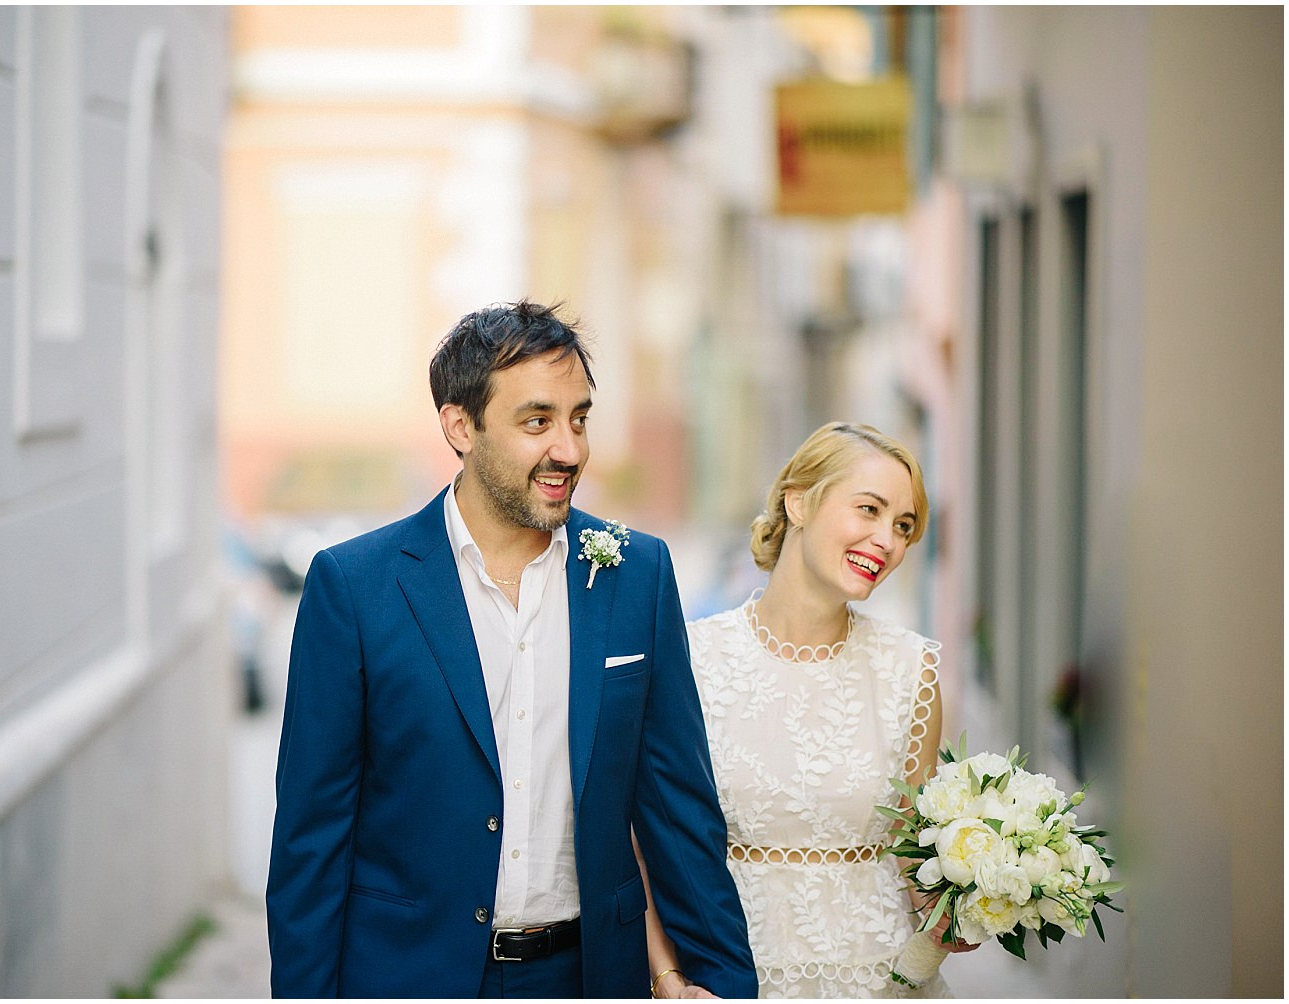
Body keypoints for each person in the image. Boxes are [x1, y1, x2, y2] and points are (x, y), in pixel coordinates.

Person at [266, 301, 756, 999]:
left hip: (589, 977)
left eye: (579, 418)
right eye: (537, 421)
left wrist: (727, 982)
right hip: (408, 976)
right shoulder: (354, 589)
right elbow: (310, 845)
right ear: (460, 426)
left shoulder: (636, 576)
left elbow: (680, 810)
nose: (570, 449)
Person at [640, 422, 977, 999]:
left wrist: (976, 898)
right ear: (798, 502)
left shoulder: (911, 669)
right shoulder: (691, 658)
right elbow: (639, 842)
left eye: (902, 526)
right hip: (731, 976)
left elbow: (914, 852)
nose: (887, 541)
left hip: (878, 981)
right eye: (868, 510)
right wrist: (666, 976)